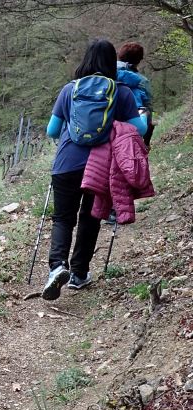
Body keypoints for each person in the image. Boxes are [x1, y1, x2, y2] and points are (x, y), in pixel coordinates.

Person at [42, 39, 148, 301]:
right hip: (101, 166)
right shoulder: (121, 92)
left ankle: (57, 267)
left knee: (62, 218)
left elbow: (52, 131)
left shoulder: (69, 90)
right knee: (90, 219)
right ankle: (79, 274)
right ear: (112, 63)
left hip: (66, 163)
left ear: (85, 60)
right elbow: (140, 129)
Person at [117, 42, 154, 148]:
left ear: (119, 56)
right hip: (133, 128)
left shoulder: (106, 73)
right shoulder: (142, 81)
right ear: (139, 60)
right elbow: (148, 107)